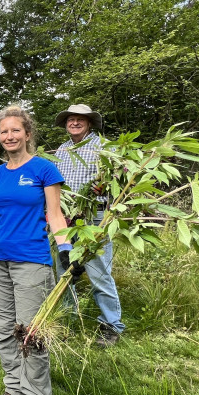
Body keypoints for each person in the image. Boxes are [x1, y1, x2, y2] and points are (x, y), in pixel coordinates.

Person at [0, 105, 82, 395]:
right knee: (5, 329)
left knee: (30, 334)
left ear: (28, 133)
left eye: (15, 130)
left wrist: (66, 250)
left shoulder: (44, 169)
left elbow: (55, 214)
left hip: (31, 261)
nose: (9, 136)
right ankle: (15, 390)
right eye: (4, 131)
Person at [54, 104, 124, 346]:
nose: (74, 123)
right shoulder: (62, 150)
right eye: (70, 119)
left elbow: (123, 176)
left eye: (79, 119)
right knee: (65, 269)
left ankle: (111, 325)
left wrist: (107, 184)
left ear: (90, 123)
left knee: (98, 272)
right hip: (65, 218)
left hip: (95, 217)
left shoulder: (104, 147)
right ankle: (66, 319)